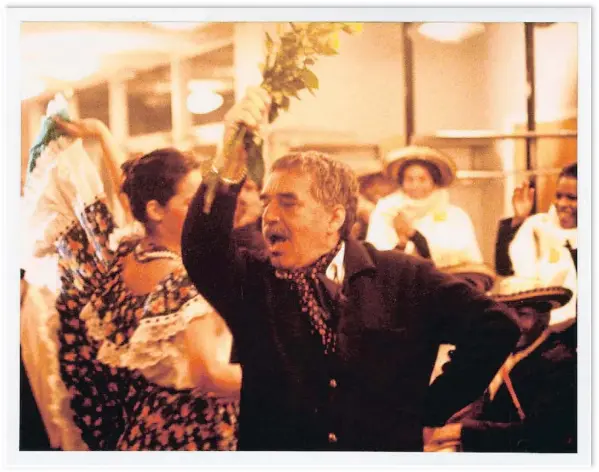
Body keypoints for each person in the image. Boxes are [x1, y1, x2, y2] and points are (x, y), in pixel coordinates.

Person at [181, 87, 521, 451]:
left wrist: (431, 410)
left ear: (334, 217)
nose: (270, 217)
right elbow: (202, 247)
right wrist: (229, 154)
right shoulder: (254, 282)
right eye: (267, 203)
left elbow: (496, 326)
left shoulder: (403, 277)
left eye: (288, 203)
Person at [23, 114, 240, 451]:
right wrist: (283, 378)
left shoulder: (129, 253)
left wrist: (102, 135)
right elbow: (209, 375)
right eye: (191, 201)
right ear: (156, 210)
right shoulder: (183, 283)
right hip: (192, 431)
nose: (203, 209)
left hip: (145, 423)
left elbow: (129, 191)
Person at [426, 279, 577, 453]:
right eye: (506, 315)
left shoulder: (561, 363)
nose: (512, 325)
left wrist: (461, 430)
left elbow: (545, 434)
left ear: (544, 317)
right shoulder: (503, 353)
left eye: (522, 314)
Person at [365, 145, 483, 269]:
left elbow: (461, 254)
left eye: (422, 179)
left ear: (434, 182)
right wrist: (401, 243)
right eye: (409, 179)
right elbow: (376, 255)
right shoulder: (386, 211)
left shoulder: (455, 215)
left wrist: (414, 235)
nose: (415, 185)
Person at [496, 163, 577, 329]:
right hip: (538, 329)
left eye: (572, 198)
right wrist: (519, 220)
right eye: (559, 196)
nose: (562, 203)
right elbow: (504, 268)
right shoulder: (540, 225)